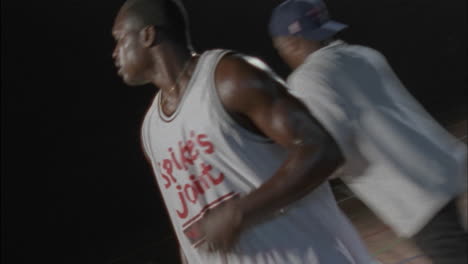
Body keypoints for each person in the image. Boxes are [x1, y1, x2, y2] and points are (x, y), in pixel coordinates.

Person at [111, 0, 375, 263]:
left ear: (147, 35)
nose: (115, 52)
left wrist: (240, 213)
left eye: (120, 39)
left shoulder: (229, 77)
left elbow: (322, 150)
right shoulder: (151, 129)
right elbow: (187, 228)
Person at [269, 0, 468, 263]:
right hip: (442, 167)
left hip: (414, 194)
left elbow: (330, 153)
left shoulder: (307, 80)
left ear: (289, 42)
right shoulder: (364, 53)